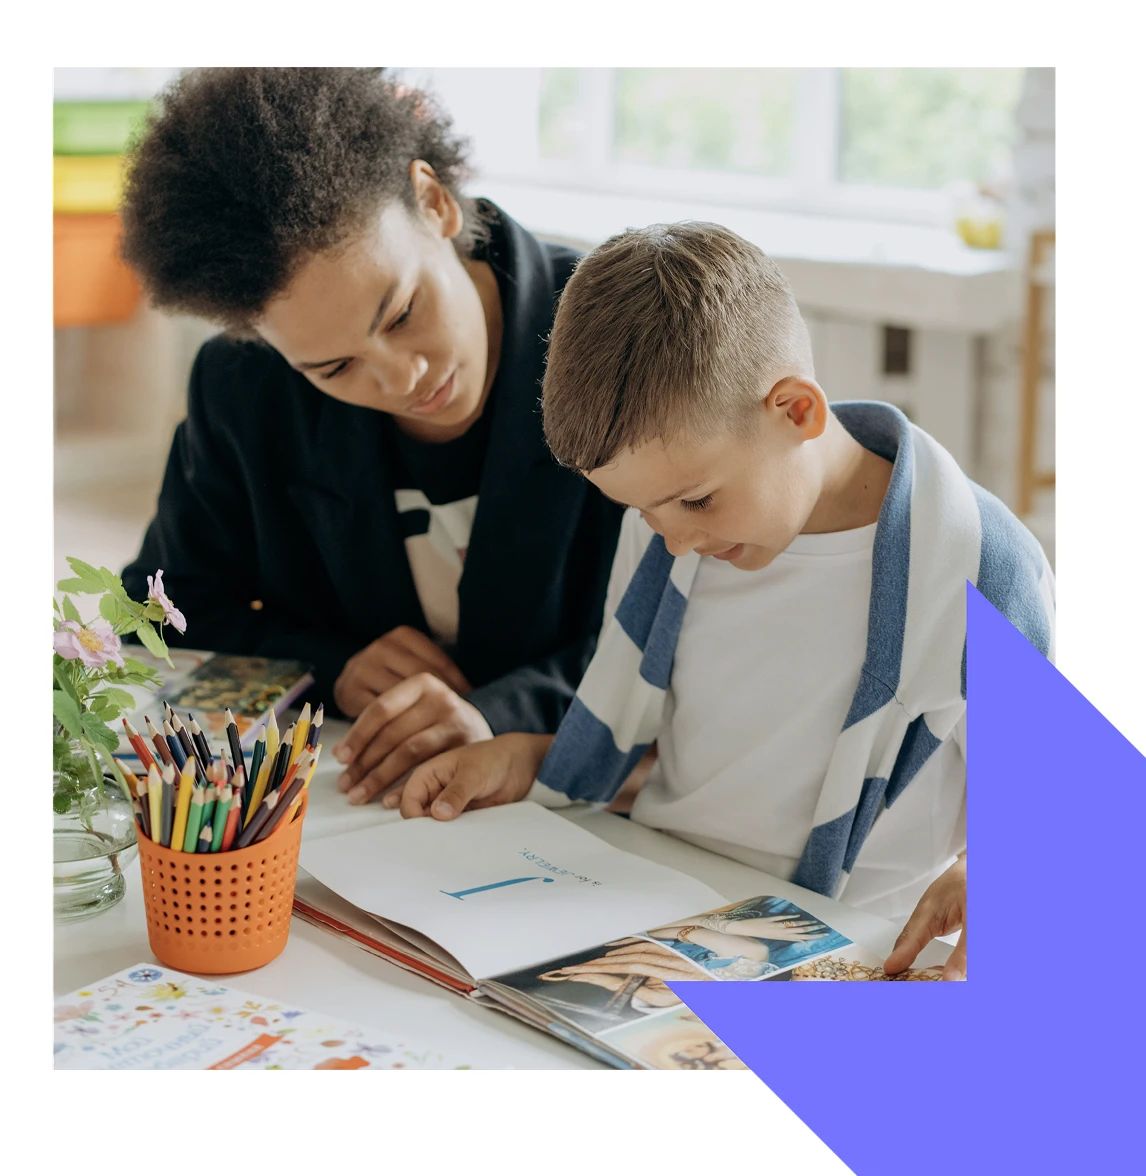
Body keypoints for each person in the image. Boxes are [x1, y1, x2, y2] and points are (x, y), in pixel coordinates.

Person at [385, 222, 1057, 982]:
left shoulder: (980, 566)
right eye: (645, 514)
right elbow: (706, 766)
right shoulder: (681, 535)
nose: (672, 543)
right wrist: (530, 756)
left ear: (796, 411)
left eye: (696, 501)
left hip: (850, 951)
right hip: (659, 907)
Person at [118, 68, 623, 800]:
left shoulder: (621, 341)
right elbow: (158, 611)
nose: (400, 378)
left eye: (402, 312)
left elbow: (699, 624)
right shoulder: (246, 385)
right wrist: (331, 663)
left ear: (435, 201)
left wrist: (501, 712)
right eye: (333, 366)